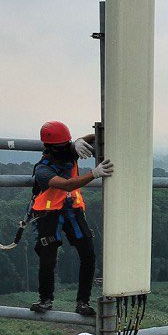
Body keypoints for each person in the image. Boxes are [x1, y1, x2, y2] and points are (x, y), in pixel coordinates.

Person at [29, 121, 113, 317]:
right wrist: (93, 174)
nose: (64, 148)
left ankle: (83, 302)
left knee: (88, 254)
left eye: (66, 144)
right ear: (49, 147)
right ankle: (45, 299)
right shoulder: (43, 170)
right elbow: (67, 185)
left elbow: (83, 142)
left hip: (72, 210)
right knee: (48, 257)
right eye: (61, 145)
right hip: (49, 214)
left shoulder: (68, 150)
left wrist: (82, 140)